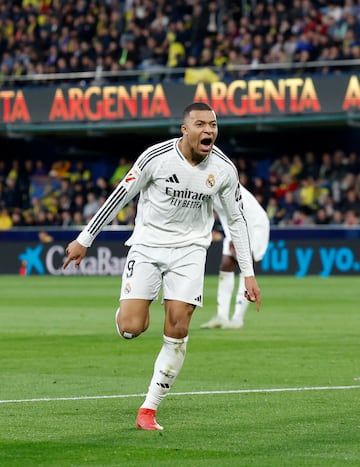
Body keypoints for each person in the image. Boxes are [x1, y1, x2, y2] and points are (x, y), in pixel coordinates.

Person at [63, 102, 261, 431]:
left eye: (213, 124)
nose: (209, 130)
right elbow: (120, 196)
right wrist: (86, 238)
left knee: (178, 326)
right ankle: (130, 310)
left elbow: (236, 221)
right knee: (131, 328)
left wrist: (249, 274)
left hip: (191, 251)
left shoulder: (224, 169)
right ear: (185, 129)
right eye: (201, 124)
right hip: (147, 246)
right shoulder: (156, 157)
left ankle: (149, 409)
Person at [201, 187, 270, 330]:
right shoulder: (209, 186)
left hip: (253, 226)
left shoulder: (228, 186)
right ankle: (222, 316)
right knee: (226, 264)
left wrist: (240, 241)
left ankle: (238, 318)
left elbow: (245, 214)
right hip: (233, 227)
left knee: (246, 266)